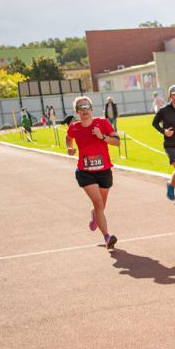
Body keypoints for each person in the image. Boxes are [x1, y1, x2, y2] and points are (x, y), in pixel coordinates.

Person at [66, 95, 120, 249]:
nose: (84, 110)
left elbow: (117, 142)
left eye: (87, 107)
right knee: (98, 203)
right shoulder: (74, 127)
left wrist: (102, 136)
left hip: (104, 171)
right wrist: (69, 147)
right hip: (85, 172)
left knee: (101, 206)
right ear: (77, 111)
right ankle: (107, 237)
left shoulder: (102, 123)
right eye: (81, 108)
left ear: (91, 109)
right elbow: (67, 137)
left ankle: (95, 214)